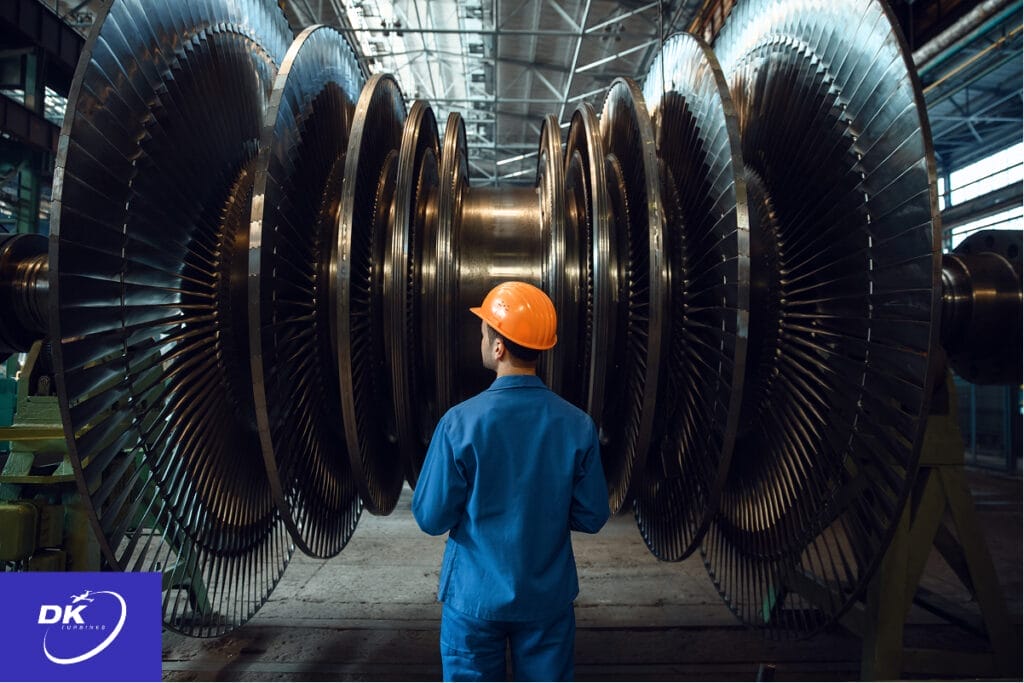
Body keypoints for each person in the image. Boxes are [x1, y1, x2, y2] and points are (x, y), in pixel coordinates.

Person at [412, 281, 610, 682]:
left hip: (474, 598)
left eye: (485, 332)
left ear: (499, 347)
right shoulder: (577, 426)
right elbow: (592, 516)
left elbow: (431, 518)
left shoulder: (459, 424)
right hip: (546, 599)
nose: (482, 339)